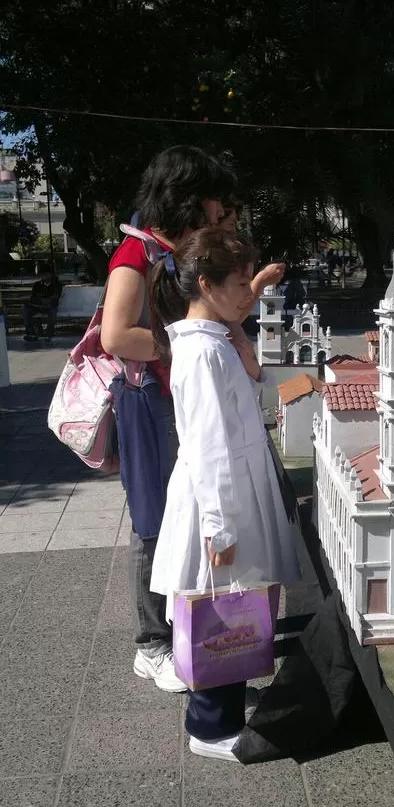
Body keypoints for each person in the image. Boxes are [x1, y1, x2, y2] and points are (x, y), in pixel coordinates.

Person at [100, 145, 285, 692]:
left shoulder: (179, 250)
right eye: (213, 201)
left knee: (183, 518)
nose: (219, 211)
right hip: (150, 400)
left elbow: (219, 312)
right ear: (186, 195)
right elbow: (116, 336)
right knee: (154, 519)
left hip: (177, 390)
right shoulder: (136, 255)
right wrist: (186, 345)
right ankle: (152, 642)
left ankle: (186, 628)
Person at [148, 227, 299, 759]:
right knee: (220, 602)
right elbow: (209, 443)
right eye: (239, 283)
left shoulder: (214, 342)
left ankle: (222, 705)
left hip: (233, 487)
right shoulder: (201, 352)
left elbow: (240, 410)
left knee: (235, 600)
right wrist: (220, 524)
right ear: (207, 285)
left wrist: (251, 362)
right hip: (221, 494)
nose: (247, 293)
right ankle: (210, 727)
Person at [23, 263, 62, 343]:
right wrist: (40, 300)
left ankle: (49, 334)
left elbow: (56, 295)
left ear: (50, 274)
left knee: (52, 312)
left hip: (50, 305)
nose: (44, 276)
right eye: (42, 275)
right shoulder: (37, 285)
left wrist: (48, 299)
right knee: (27, 311)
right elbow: (33, 297)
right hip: (38, 305)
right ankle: (31, 333)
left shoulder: (56, 284)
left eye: (46, 274)